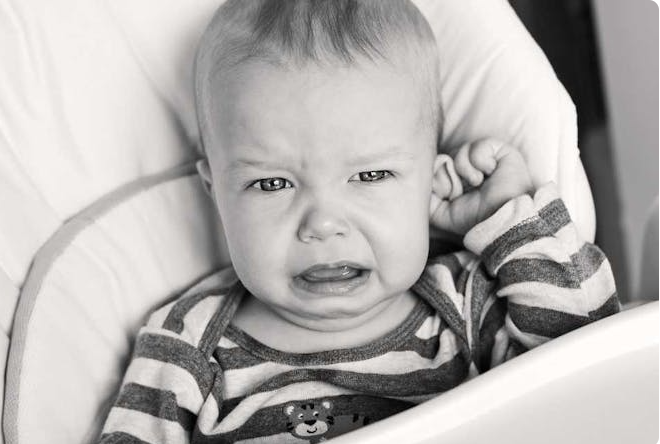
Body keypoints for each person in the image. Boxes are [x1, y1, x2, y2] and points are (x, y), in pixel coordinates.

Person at [99, 1, 619, 442]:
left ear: (430, 181)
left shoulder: (468, 306)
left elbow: (594, 361)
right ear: (215, 191)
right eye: (272, 184)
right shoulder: (187, 347)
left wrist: (506, 217)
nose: (324, 224)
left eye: (370, 175)